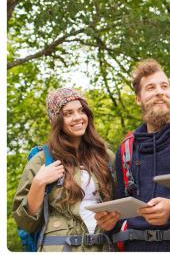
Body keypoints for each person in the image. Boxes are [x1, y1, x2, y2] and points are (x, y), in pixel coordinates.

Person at [94, 59, 170, 251]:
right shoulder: (126, 149)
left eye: (164, 86)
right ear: (138, 98)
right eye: (150, 88)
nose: (160, 91)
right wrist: (109, 224)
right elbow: (120, 212)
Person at [13, 88, 115, 251]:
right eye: (68, 113)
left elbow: (119, 205)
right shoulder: (41, 160)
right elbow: (26, 223)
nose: (78, 117)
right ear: (56, 120)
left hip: (102, 248)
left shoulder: (106, 157)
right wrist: (39, 183)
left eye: (81, 111)